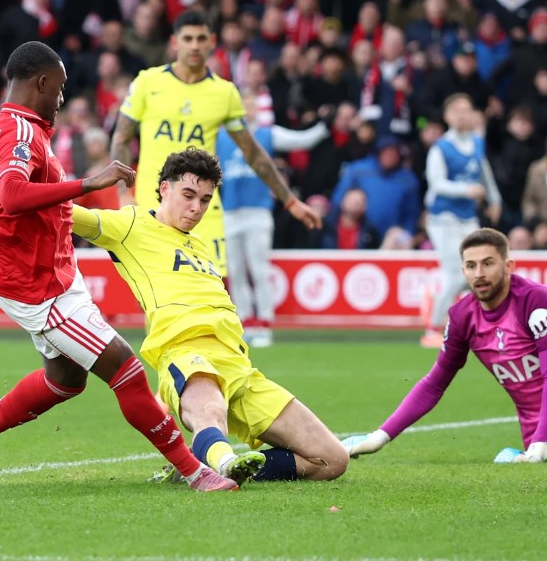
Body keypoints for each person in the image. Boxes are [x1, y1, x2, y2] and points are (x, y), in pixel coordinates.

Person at [0, 41, 237, 493]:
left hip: (53, 275)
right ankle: (194, 471)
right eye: (60, 89)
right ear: (42, 82)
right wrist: (88, 182)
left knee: (65, 380)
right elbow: (11, 196)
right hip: (39, 289)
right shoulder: (20, 136)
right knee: (125, 370)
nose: (62, 100)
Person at [72, 148, 349, 484]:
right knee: (209, 410)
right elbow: (65, 215)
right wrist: (37, 184)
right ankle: (221, 463)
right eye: (188, 195)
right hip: (186, 352)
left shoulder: (200, 246)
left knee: (332, 459)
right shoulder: (131, 224)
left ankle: (205, 462)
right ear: (164, 189)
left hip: (239, 366)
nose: (196, 208)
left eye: (205, 200)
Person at [341, 228, 547, 464]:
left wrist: (542, 443)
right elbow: (434, 383)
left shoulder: (536, 301)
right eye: (471, 265)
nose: (479, 273)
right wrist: (380, 436)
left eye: (488, 263)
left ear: (508, 265)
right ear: (462, 270)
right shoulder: (462, 317)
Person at [110, 9, 321, 277]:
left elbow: (253, 153)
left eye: (201, 38)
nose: (194, 45)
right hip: (152, 205)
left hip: (202, 210)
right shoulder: (147, 82)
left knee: (210, 292)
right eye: (187, 38)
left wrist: (290, 201)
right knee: (159, 295)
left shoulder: (225, 93)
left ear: (212, 41)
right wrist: (122, 193)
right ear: (175, 42)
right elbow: (121, 137)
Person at [216, 92, 329, 348]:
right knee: (235, 271)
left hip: (257, 211)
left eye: (250, 106)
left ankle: (264, 322)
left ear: (257, 110)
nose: (246, 111)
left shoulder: (266, 134)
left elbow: (302, 140)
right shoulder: (220, 137)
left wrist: (323, 126)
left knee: (258, 268)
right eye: (242, 106)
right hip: (230, 212)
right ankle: (245, 321)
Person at [421, 93, 502, 349]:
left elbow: (484, 171)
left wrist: (495, 198)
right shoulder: (440, 148)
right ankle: (432, 326)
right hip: (443, 218)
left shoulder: (477, 143)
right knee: (457, 272)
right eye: (456, 110)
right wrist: (465, 190)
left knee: (476, 270)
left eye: (466, 110)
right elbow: (436, 183)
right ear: (447, 116)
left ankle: (469, 324)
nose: (462, 115)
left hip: (468, 216)